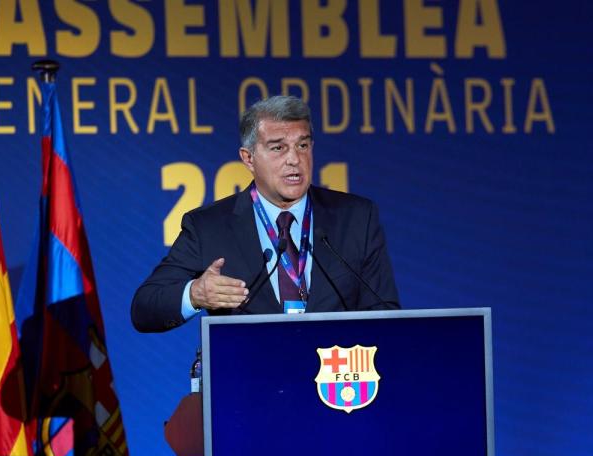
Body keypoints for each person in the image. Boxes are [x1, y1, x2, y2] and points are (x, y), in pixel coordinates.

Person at [131, 95, 398, 333]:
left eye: (303, 146)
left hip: (337, 380)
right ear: (248, 159)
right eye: (278, 147)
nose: (294, 159)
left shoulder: (356, 218)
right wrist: (195, 295)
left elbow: (385, 311)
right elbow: (145, 308)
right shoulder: (208, 227)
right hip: (250, 378)